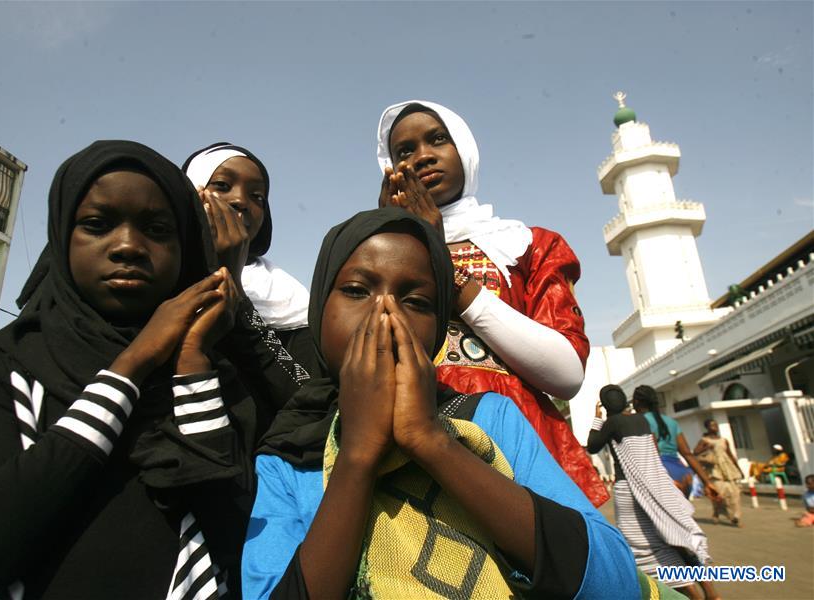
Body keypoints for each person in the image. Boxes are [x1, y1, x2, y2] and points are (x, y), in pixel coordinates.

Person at [0, 141, 287, 598]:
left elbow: (232, 541)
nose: (127, 247)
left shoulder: (212, 375)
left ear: (187, 245)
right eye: (97, 225)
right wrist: (133, 364)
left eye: (158, 229)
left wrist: (191, 366)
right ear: (63, 236)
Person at [243, 207, 638, 599]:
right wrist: (357, 457)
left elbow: (616, 584)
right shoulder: (286, 459)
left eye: (415, 301)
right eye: (356, 291)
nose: (385, 315)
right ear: (319, 311)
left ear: (438, 330)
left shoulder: (489, 420)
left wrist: (429, 440)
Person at [374, 100, 607, 507]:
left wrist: (444, 266)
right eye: (404, 152)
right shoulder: (376, 249)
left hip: (516, 444)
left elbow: (567, 374)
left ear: (464, 150)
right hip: (410, 447)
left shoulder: (525, 245)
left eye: (437, 139)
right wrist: (388, 242)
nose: (422, 156)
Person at [183, 142, 320, 378]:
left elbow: (304, 390)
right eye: (222, 185)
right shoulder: (160, 273)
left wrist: (234, 287)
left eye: (257, 196)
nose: (240, 201)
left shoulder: (286, 297)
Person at [588, 385, 714, 600]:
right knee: (676, 537)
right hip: (657, 484)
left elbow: (592, 446)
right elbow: (654, 452)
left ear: (606, 404)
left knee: (648, 550)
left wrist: (597, 418)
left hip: (629, 490)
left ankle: (691, 594)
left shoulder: (612, 423)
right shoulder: (642, 421)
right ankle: (710, 593)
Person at [632, 385, 718, 499]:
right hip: (682, 473)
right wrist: (707, 482)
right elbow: (687, 453)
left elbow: (652, 455)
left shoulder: (639, 421)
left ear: (636, 402)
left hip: (660, 473)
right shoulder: (671, 422)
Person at [694, 419, 744, 527]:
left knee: (734, 492)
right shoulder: (704, 440)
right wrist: (706, 448)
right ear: (707, 427)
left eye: (716, 425)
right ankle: (717, 512)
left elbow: (730, 455)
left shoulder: (724, 440)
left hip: (727, 468)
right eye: (712, 425)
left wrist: (739, 469)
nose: (715, 427)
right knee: (719, 493)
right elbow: (695, 452)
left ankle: (735, 516)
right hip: (714, 469)